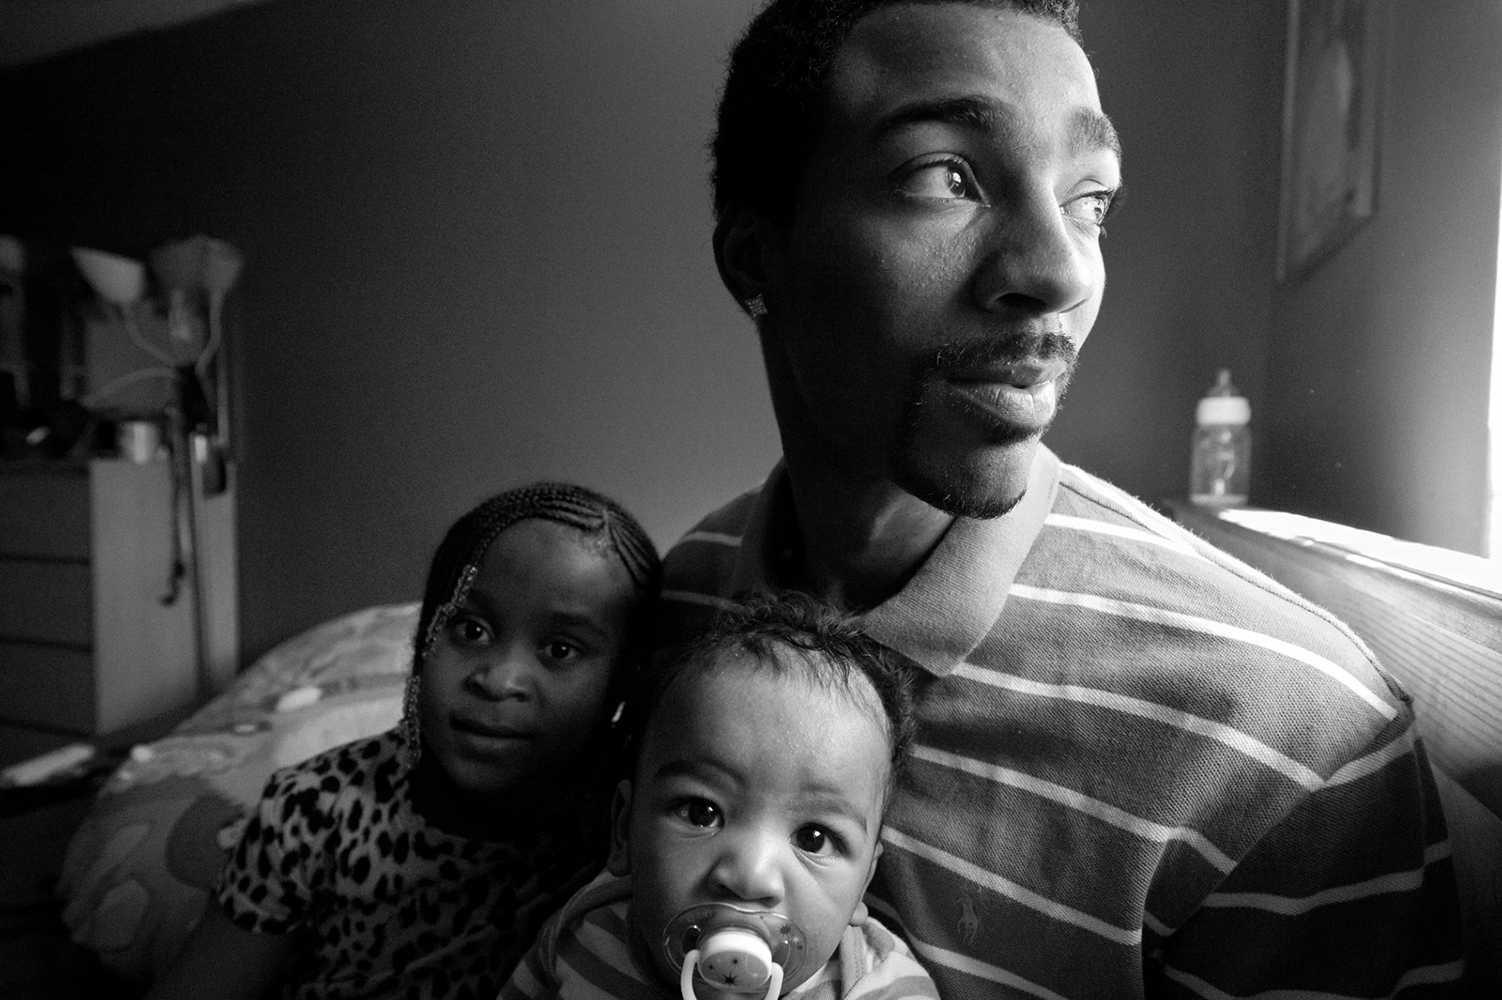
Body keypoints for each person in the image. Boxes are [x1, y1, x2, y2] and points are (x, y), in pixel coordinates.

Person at [658, 1, 1466, 997]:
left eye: (1090, 199)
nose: (1057, 270)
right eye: (945, 175)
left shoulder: (1287, 745)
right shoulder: (670, 605)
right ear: (754, 256)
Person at [147, 482, 662, 1000]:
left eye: (559, 648)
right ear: (422, 638)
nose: (499, 678)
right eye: (471, 629)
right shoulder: (312, 811)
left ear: (624, 681)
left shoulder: (621, 820)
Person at [502, 595, 940, 1000]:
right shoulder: (582, 934)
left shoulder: (881, 988)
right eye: (702, 812)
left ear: (863, 884)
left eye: (814, 838)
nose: (749, 878)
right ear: (622, 829)